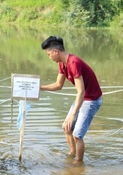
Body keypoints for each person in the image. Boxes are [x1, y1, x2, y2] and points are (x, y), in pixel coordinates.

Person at [40, 36, 102, 165]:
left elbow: (81, 91)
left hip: (91, 100)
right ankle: (72, 153)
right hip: (83, 98)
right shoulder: (62, 63)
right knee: (67, 128)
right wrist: (38, 88)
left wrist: (73, 115)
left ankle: (79, 163)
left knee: (78, 135)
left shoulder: (74, 63)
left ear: (56, 51)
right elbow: (58, 85)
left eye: (49, 54)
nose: (49, 57)